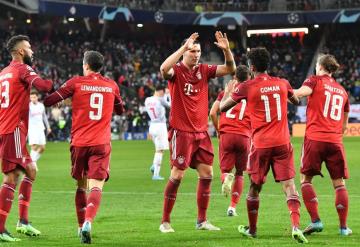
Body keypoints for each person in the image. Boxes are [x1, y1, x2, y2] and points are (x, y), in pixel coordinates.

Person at [219, 47, 308, 243]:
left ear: (251, 67)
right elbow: (294, 100)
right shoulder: (282, 83)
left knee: (255, 187)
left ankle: (252, 230)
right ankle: (295, 226)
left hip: (260, 145)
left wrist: (229, 93)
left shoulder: (247, 86)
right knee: (290, 186)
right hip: (283, 142)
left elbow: (222, 108)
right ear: (268, 64)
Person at [44, 51, 124, 244]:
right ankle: (89, 221)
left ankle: (80, 227)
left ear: (85, 65)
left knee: (81, 186)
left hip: (79, 143)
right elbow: (121, 110)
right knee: (96, 186)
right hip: (101, 143)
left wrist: (65, 97)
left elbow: (49, 101)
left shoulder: (75, 83)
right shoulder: (111, 85)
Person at [159, 31, 236, 233]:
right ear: (184, 52)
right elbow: (163, 68)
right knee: (177, 175)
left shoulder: (204, 70)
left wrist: (227, 50)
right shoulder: (176, 71)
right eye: (192, 51)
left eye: (198, 51)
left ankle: (202, 221)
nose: (196, 54)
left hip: (201, 132)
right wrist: (183, 48)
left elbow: (230, 68)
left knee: (208, 173)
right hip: (181, 132)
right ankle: (165, 221)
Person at [0, 35, 53, 241]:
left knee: (31, 170)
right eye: (29, 48)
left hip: (9, 129)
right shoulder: (22, 69)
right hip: (12, 129)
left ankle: (23, 222)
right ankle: (1, 229)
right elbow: (44, 86)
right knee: (11, 178)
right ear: (21, 51)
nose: (32, 51)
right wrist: (58, 87)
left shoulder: (3, 73)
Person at [294, 54, 352, 236]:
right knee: (339, 184)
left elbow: (301, 93)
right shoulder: (342, 91)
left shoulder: (314, 80)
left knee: (305, 180)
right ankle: (343, 228)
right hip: (335, 141)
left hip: (315, 139)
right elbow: (344, 125)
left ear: (319, 66)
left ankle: (316, 221)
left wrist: (285, 92)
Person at [209, 65, 251, 217]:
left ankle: (226, 178)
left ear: (235, 78)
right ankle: (232, 207)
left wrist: (219, 130)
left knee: (225, 171)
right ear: (249, 78)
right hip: (245, 135)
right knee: (240, 173)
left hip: (226, 133)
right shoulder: (252, 93)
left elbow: (213, 113)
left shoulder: (224, 93)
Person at [145, 85, 171, 180]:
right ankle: (156, 174)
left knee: (157, 149)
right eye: (163, 92)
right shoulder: (161, 100)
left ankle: (153, 166)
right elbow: (170, 106)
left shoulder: (147, 100)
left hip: (152, 125)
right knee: (160, 151)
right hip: (160, 126)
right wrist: (169, 95)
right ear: (161, 92)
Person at [28, 91, 51, 164]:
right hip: (32, 129)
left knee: (42, 148)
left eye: (34, 97)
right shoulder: (28, 106)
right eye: (31, 97)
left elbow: (44, 117)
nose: (32, 99)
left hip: (40, 128)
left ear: (37, 97)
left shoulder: (41, 106)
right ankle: (32, 164)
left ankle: (33, 161)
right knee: (34, 146)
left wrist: (48, 127)